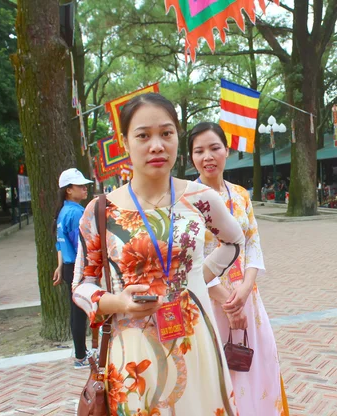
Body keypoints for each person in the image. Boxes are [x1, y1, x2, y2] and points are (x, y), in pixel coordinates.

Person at [72, 93, 245, 415]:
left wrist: (193, 280)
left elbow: (234, 243)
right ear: (125, 143)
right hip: (133, 352)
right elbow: (81, 285)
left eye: (166, 133)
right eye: (143, 135)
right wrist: (118, 302)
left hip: (195, 341)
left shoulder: (201, 198)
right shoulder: (100, 211)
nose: (156, 145)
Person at [188, 122, 289, 416]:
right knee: (217, 370)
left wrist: (244, 290)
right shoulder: (186, 200)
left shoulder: (241, 195)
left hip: (247, 299)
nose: (208, 156)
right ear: (191, 157)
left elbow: (253, 245)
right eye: (199, 151)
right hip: (209, 302)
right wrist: (226, 300)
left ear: (227, 151)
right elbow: (189, 261)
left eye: (214, 148)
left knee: (256, 364)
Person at [53, 168, 93, 369]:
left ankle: (82, 352)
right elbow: (82, 247)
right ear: (68, 190)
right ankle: (80, 356)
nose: (85, 189)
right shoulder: (77, 212)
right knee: (80, 312)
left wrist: (60, 266)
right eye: (80, 186)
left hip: (69, 267)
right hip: (79, 269)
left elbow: (60, 243)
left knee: (77, 311)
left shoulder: (63, 211)